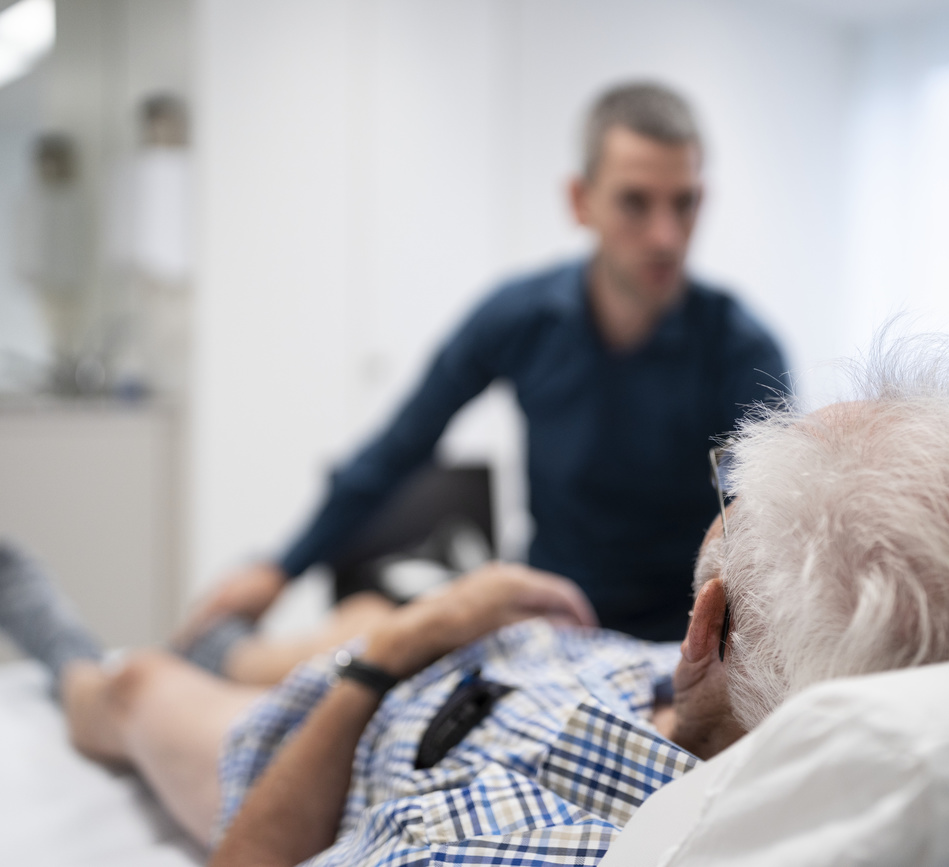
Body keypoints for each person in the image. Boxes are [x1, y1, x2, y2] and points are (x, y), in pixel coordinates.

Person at [0, 331, 949, 866]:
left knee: (143, 683)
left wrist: (385, 663)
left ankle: (63, 648)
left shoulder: (512, 846)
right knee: (327, 619)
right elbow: (399, 440)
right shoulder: (783, 698)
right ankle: (244, 633)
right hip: (515, 657)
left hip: (354, 725)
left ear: (710, 626)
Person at [178, 81, 788, 656]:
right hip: (547, 624)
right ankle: (201, 662)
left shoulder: (742, 349)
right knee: (365, 637)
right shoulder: (520, 318)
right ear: (581, 202)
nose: (665, 235)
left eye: (683, 204)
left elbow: (768, 526)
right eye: (635, 202)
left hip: (684, 645)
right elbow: (397, 450)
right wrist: (279, 569)